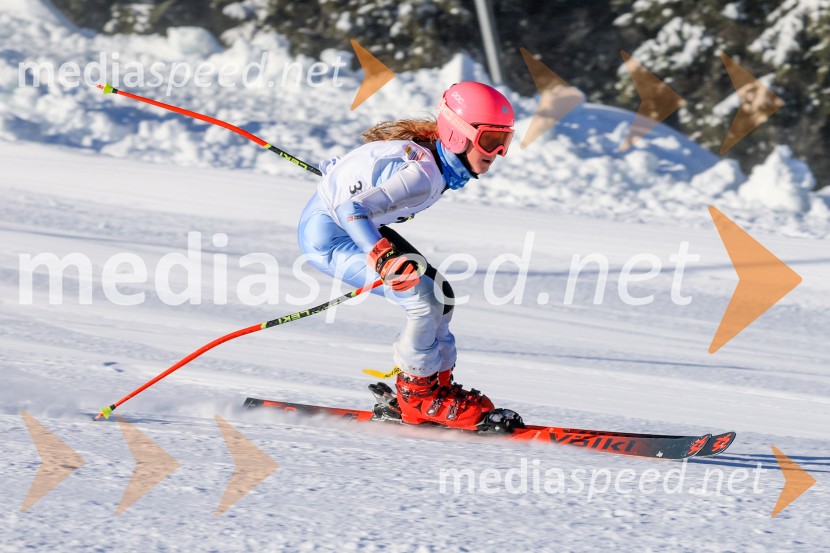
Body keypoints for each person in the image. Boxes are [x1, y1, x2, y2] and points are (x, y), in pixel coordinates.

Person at [297, 81, 521, 431]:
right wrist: (382, 256)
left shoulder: (432, 160)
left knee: (441, 295)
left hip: (357, 227)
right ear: (458, 136)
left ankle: (437, 388)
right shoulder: (423, 173)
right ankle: (417, 397)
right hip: (332, 240)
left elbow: (367, 176)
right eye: (490, 140)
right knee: (421, 298)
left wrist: (346, 176)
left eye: (504, 141)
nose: (498, 152)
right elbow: (351, 209)